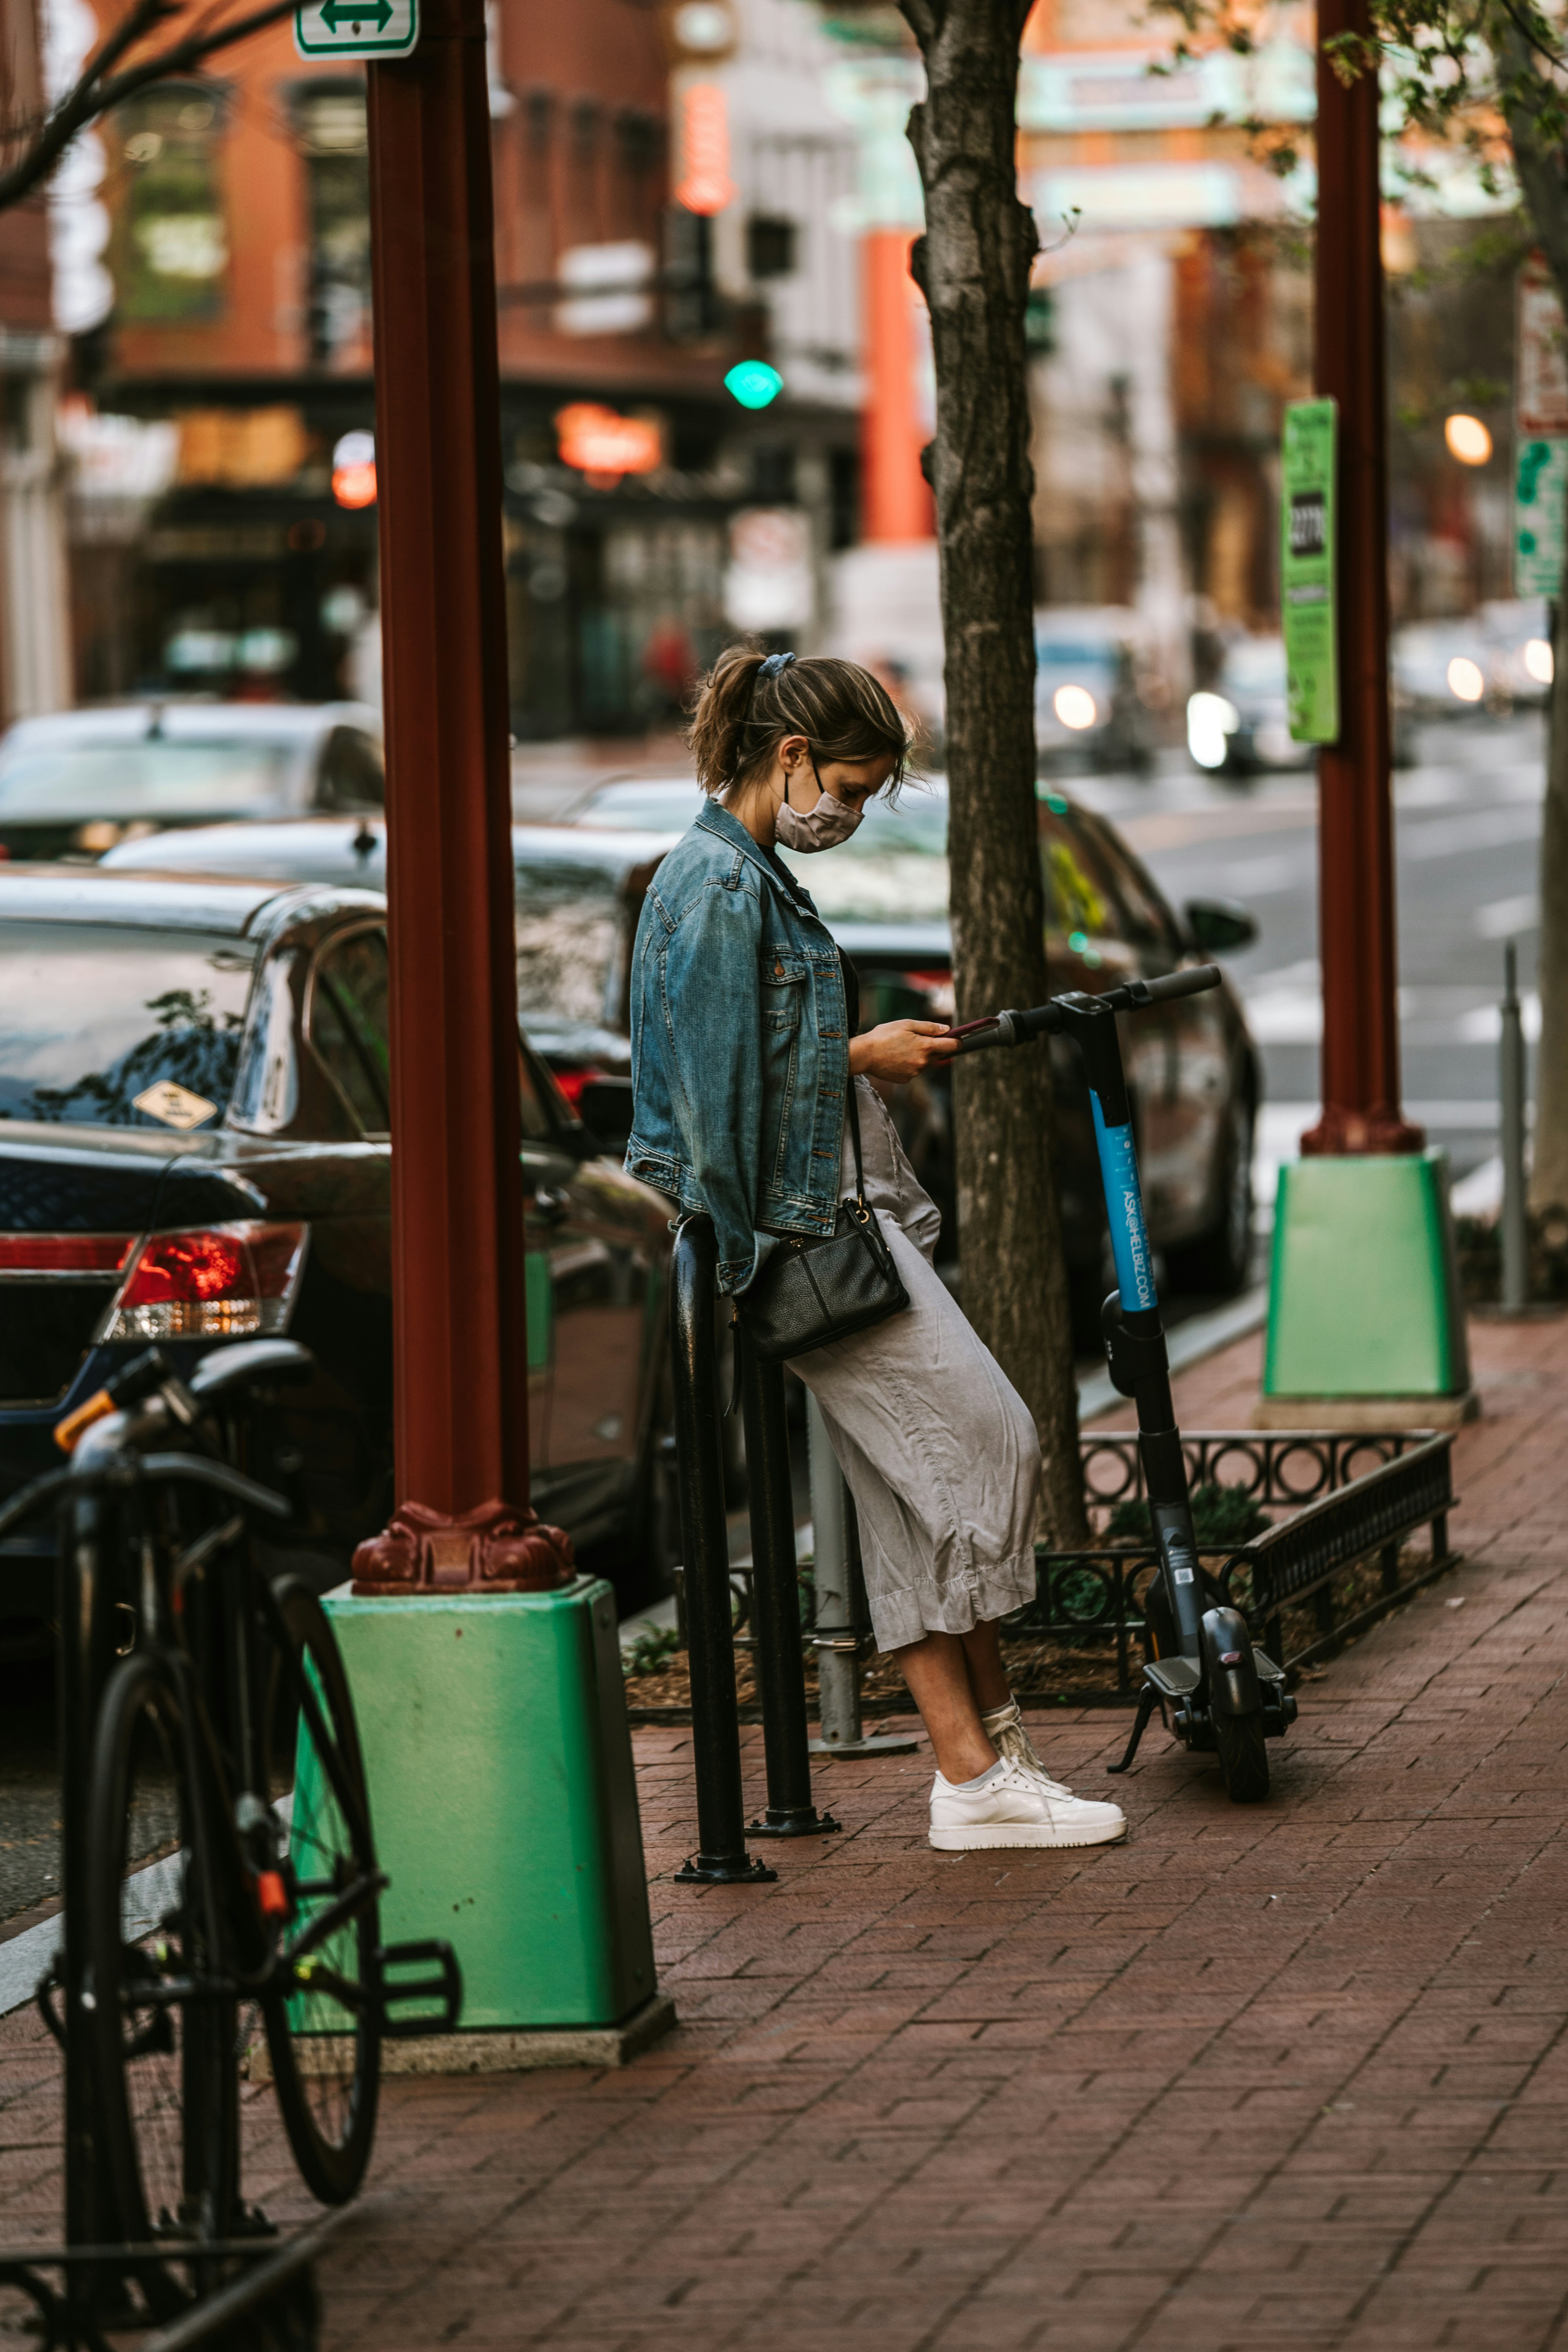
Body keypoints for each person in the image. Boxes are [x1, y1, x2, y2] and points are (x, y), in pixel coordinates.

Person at [625, 645, 1125, 1853]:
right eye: (845, 788)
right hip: (807, 1237)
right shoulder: (719, 887)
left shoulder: (743, 873)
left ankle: (983, 1768)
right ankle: (975, 1772)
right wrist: (861, 1057)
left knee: (912, 1495)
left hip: (826, 1222)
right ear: (788, 755)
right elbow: (712, 1101)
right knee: (988, 1446)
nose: (845, 814)